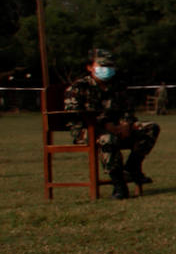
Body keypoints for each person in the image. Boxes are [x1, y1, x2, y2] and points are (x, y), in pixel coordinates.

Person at [64, 48, 161, 200]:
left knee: (150, 128)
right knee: (108, 139)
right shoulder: (79, 87)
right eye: (102, 65)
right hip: (89, 129)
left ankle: (132, 168)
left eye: (110, 66)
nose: (107, 69)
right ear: (90, 67)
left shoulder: (118, 86)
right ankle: (119, 185)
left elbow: (128, 109)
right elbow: (74, 113)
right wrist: (104, 124)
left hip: (118, 127)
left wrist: (126, 124)